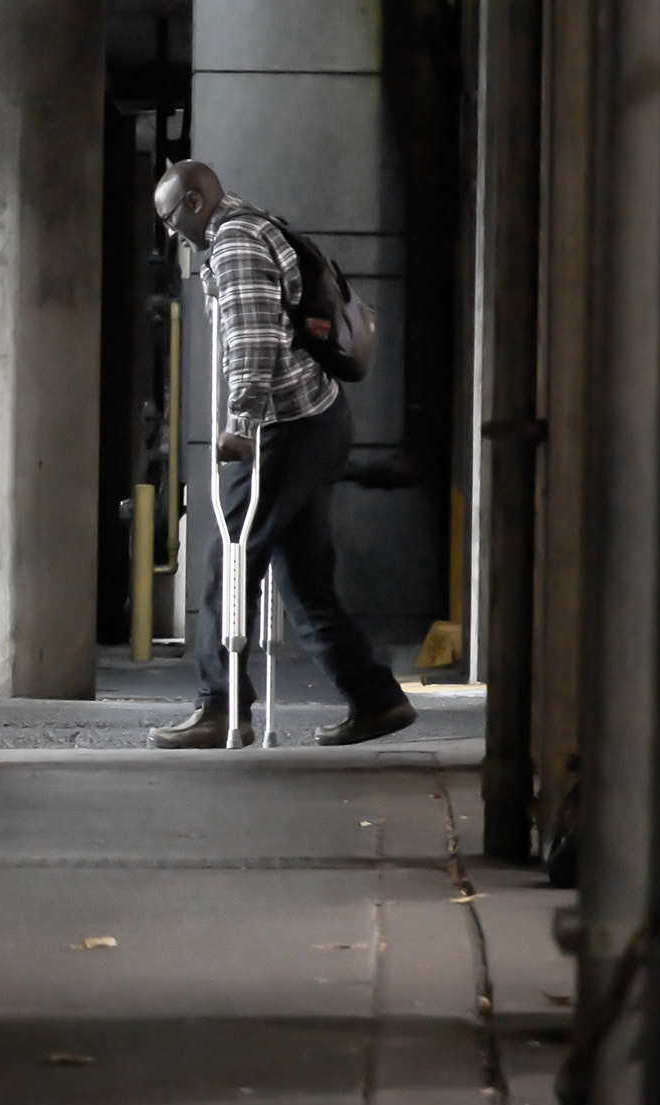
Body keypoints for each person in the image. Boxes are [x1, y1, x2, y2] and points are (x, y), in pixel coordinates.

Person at [146, 161, 416, 749]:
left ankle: (218, 709)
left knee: (231, 562)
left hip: (285, 429)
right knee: (304, 579)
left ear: (194, 203)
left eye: (170, 220)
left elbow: (254, 338)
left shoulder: (235, 240)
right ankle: (376, 699)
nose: (171, 235)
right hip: (317, 421)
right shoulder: (255, 223)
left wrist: (241, 422)